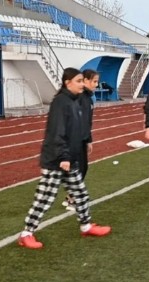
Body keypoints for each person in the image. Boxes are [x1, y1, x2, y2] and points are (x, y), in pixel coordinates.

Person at [18, 67, 111, 249]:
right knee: (45, 197)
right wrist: (63, 157)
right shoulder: (61, 102)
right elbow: (57, 132)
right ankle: (26, 233)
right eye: (78, 81)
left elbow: (75, 131)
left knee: (80, 194)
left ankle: (86, 225)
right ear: (67, 83)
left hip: (71, 158)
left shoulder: (75, 102)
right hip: (57, 160)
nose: (82, 84)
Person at [63, 69, 98, 212]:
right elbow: (79, 121)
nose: (96, 84)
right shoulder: (81, 98)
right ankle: (72, 199)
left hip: (82, 139)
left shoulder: (88, 98)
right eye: (94, 81)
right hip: (75, 140)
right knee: (78, 169)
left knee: (82, 168)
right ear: (85, 81)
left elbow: (88, 122)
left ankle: (72, 196)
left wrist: (88, 140)